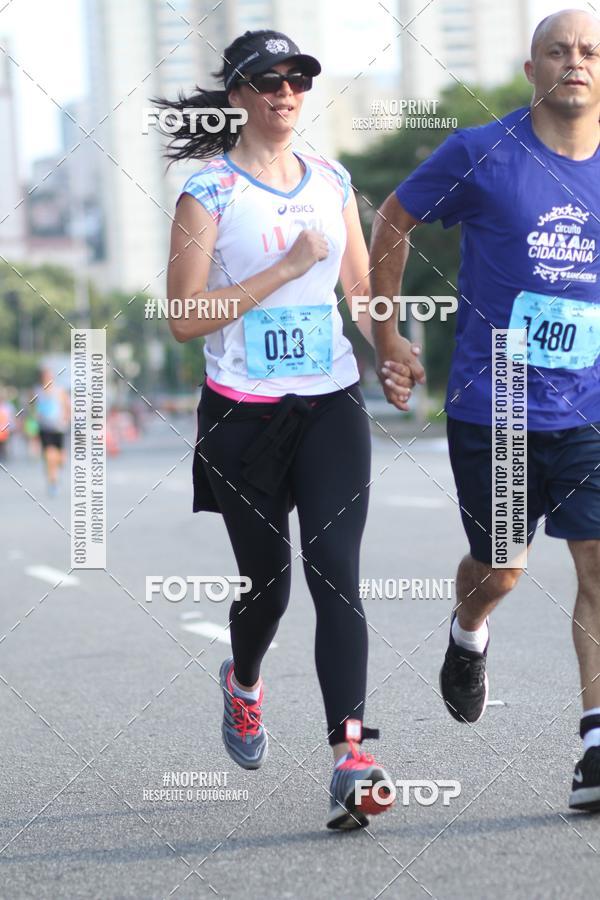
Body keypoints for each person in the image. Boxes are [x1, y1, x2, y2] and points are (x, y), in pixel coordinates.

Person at [159, 29, 404, 829]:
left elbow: (362, 290)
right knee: (268, 589)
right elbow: (183, 319)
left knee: (336, 571)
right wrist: (285, 270)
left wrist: (391, 346)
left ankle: (352, 757)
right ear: (238, 95)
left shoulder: (330, 180)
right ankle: (245, 682)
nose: (286, 91)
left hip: (330, 402)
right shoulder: (209, 193)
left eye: (298, 78)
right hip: (241, 415)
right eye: (267, 80)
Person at [369, 9, 600, 811]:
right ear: (531, 69)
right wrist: (388, 331)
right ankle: (468, 634)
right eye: (558, 52)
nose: (574, 62)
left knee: (598, 567)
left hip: (590, 408)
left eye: (588, 51)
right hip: (496, 403)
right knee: (502, 568)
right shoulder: (481, 152)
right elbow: (393, 214)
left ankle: (595, 744)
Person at [35, 368, 70, 496]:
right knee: (49, 455)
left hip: (59, 428)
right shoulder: (37, 391)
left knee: (60, 458)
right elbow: (32, 409)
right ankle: (52, 481)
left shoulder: (60, 391)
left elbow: (67, 406)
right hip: (45, 428)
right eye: (44, 376)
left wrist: (66, 417)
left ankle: (58, 467)